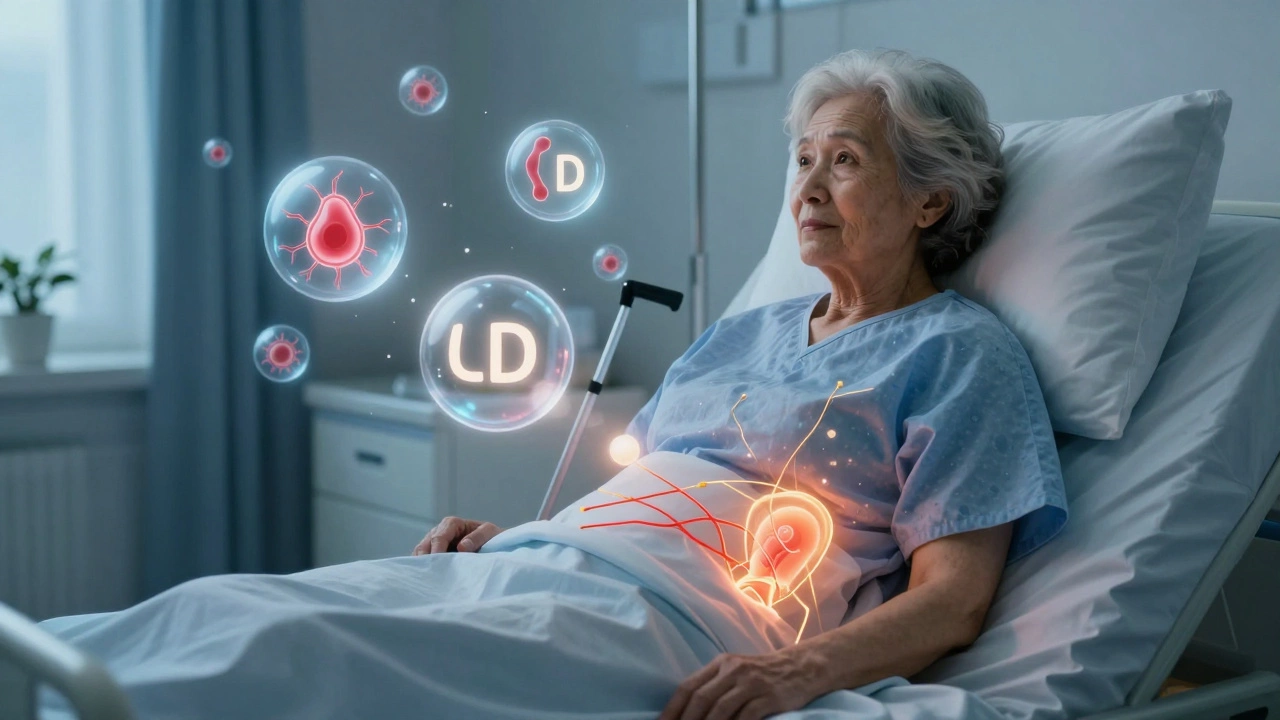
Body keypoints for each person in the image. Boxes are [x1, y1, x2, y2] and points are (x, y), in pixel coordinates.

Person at [414, 48, 1067, 720]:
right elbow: (639, 500)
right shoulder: (737, 335)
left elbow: (953, 601)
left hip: (678, 620)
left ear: (928, 201)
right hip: (552, 571)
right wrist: (523, 537)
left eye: (844, 161)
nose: (809, 188)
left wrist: (793, 671)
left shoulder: (960, 354)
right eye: (804, 160)